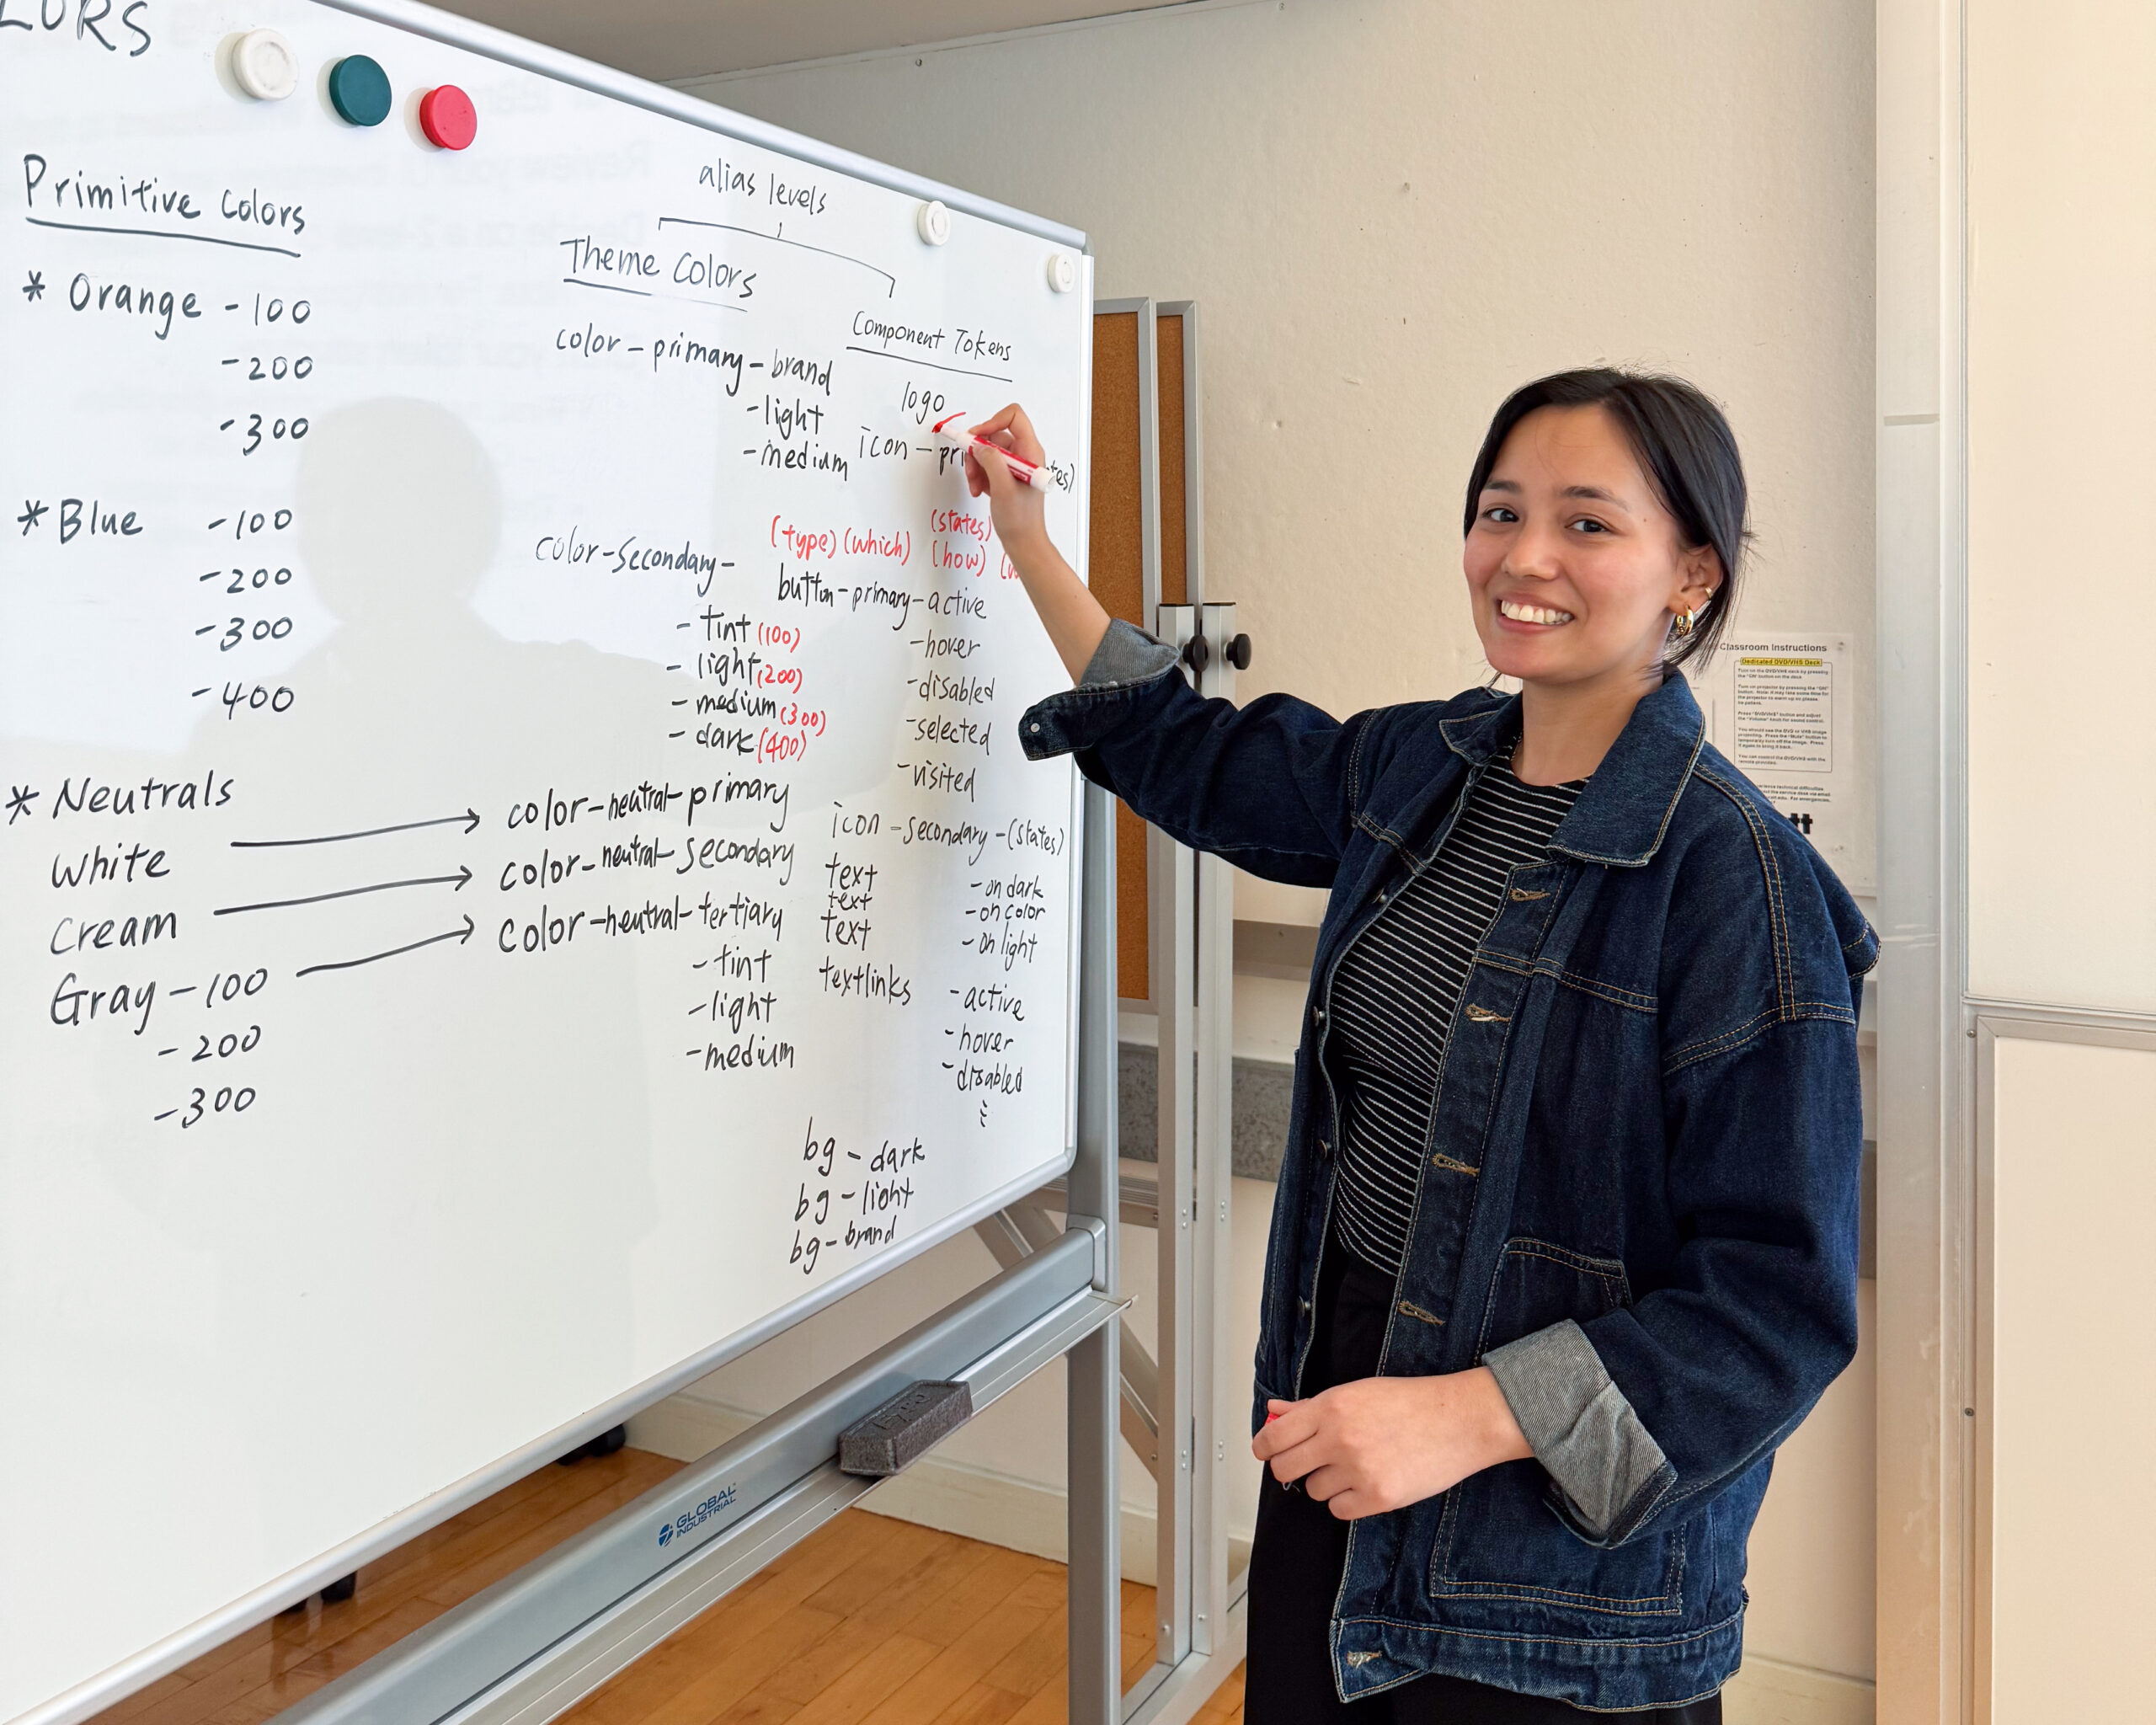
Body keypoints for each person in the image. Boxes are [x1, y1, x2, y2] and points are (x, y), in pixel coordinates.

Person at [969, 370, 1874, 1720]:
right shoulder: (1422, 769)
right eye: (1500, 511)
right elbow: (1190, 751)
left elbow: (1773, 1313)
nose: (1524, 558)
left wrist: (1462, 1417)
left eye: (1587, 523)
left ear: (1691, 573)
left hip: (1551, 1557)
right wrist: (1031, 546)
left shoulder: (1737, 880)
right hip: (1339, 1429)